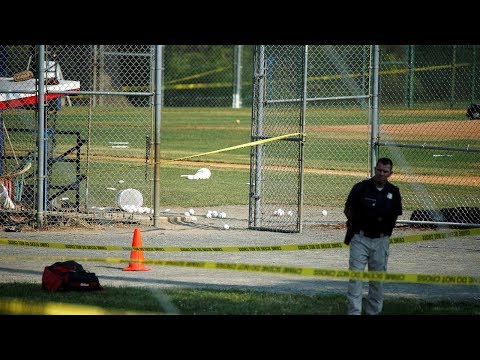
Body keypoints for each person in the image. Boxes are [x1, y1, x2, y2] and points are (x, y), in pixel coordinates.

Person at [343, 157, 403, 315]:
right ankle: (354, 312)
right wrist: (356, 222)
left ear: (391, 173)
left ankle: (373, 313)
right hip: (360, 239)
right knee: (355, 280)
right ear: (374, 169)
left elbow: (395, 215)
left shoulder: (394, 192)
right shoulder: (361, 188)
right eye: (379, 170)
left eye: (385, 171)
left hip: (381, 241)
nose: (381, 174)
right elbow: (348, 209)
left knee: (377, 283)